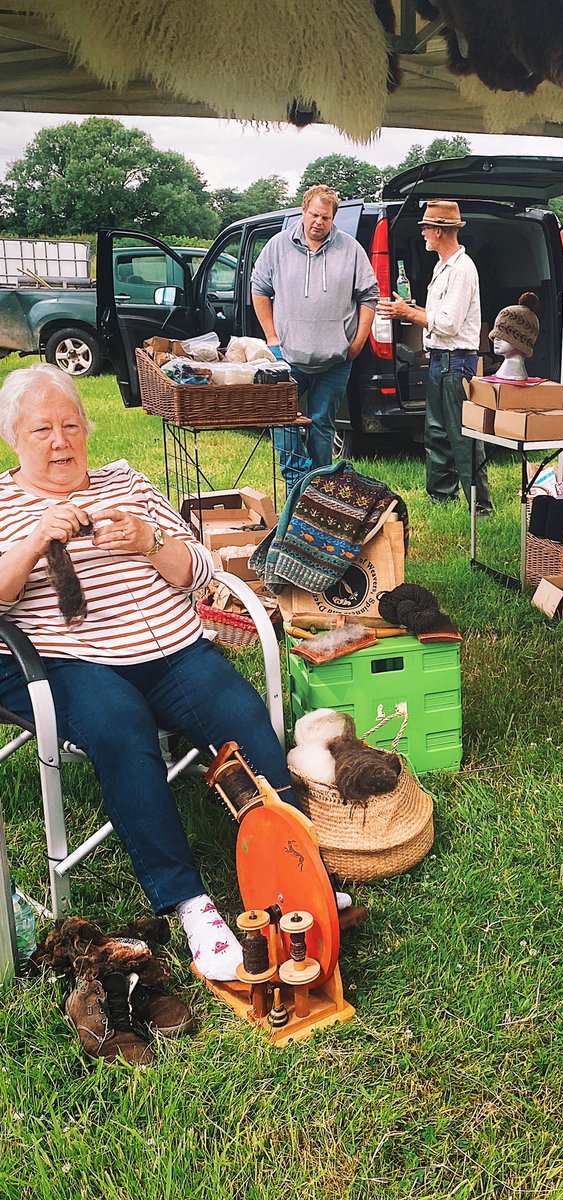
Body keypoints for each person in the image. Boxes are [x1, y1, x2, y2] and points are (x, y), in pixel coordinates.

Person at [0, 365, 295, 996]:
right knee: (121, 728)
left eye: (71, 425)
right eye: (42, 430)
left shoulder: (126, 482)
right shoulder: (3, 504)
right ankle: (189, 905)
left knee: (240, 712)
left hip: (169, 648)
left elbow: (197, 572)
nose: (60, 441)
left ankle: (290, 869)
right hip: (74, 661)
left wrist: (150, 537)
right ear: (13, 440)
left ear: (89, 428)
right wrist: (31, 543)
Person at [251, 184, 379, 489]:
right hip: (288, 358)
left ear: (333, 218)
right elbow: (259, 289)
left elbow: (370, 296)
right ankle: (296, 482)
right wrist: (271, 338)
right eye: (314, 215)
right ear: (303, 210)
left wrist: (358, 342)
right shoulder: (278, 246)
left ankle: (319, 485)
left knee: (322, 423)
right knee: (283, 421)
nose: (319, 222)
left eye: (326, 217)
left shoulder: (350, 249)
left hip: (335, 360)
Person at [377, 199, 492, 513]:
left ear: (441, 231)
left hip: (457, 362)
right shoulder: (443, 266)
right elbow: (440, 316)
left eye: (427, 227)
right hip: (441, 359)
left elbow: (448, 324)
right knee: (437, 431)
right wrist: (413, 310)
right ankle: (441, 497)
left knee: (462, 435)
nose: (424, 232)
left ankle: (480, 507)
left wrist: (409, 315)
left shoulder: (462, 269)